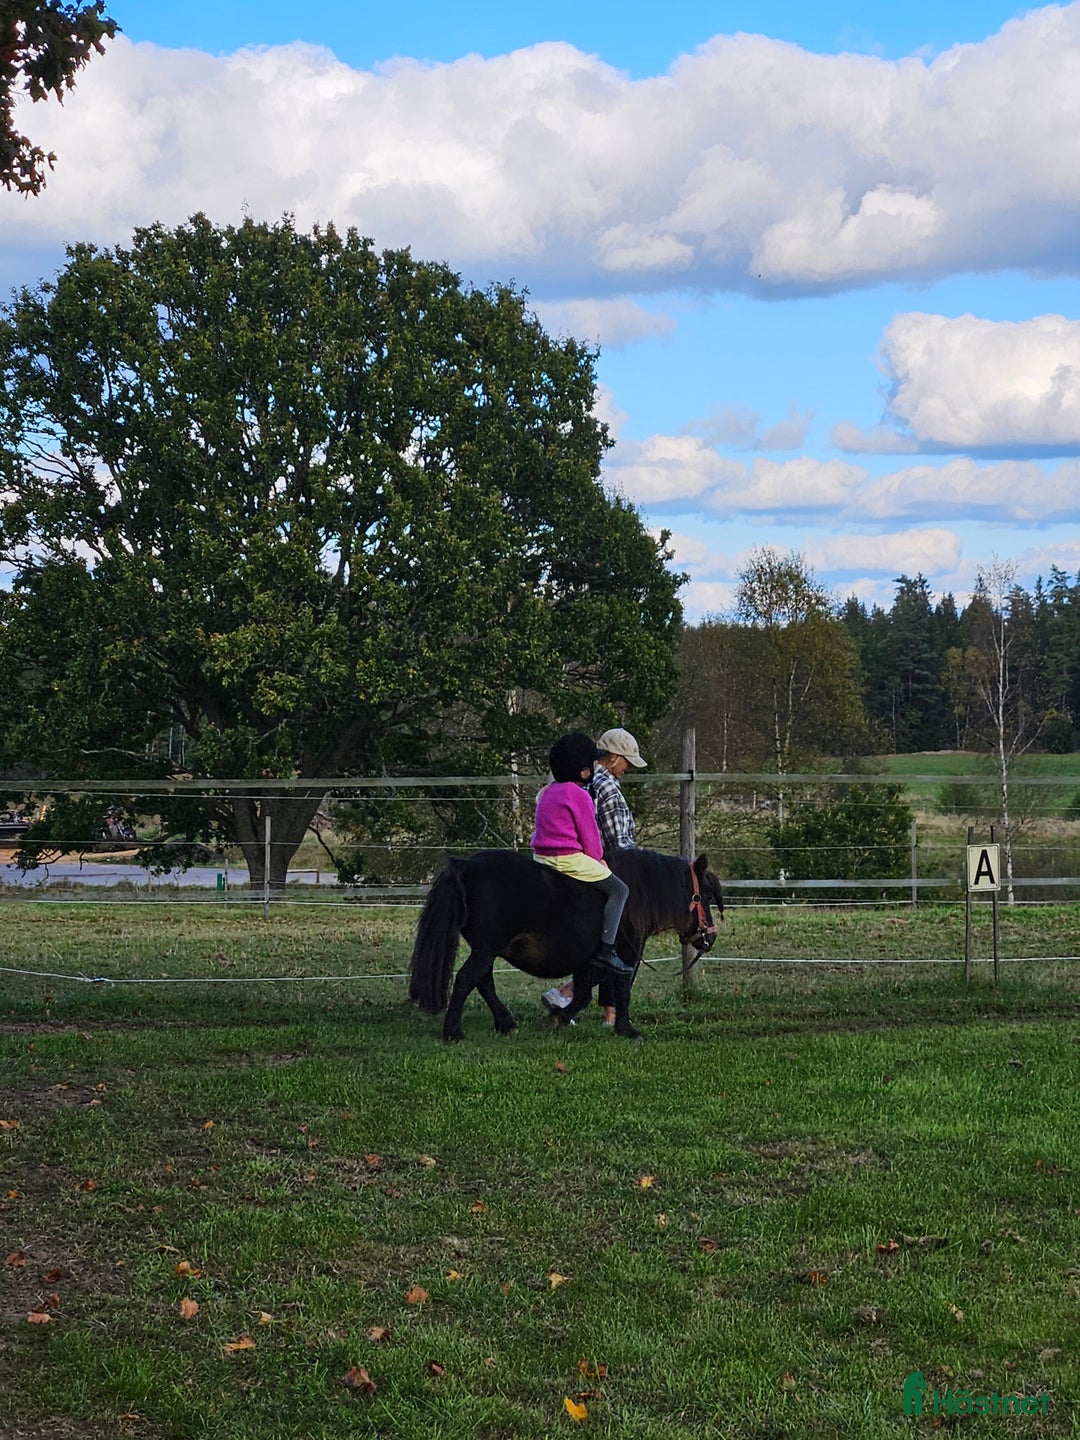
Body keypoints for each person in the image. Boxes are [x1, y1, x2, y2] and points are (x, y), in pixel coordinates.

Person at [542, 727, 647, 1018]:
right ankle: (574, 997)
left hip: (566, 858)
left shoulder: (562, 784)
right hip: (597, 861)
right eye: (626, 762)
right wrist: (627, 868)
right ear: (613, 758)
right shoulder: (605, 786)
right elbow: (614, 838)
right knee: (621, 930)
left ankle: (603, 1009)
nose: (627, 769)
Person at [531, 733, 634, 977]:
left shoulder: (548, 792)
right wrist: (599, 859)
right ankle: (607, 949)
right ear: (584, 771)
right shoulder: (580, 796)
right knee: (620, 890)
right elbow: (591, 841)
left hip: (541, 857)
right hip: (568, 858)